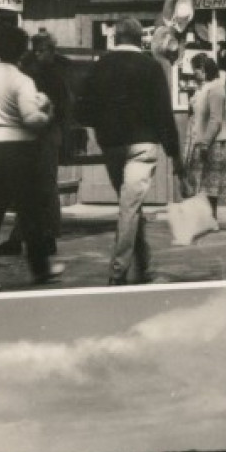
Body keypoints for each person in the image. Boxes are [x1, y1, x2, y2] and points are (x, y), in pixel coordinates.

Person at [78, 17, 184, 286]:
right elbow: (164, 114)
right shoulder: (151, 67)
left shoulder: (99, 66)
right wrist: (175, 154)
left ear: (116, 37)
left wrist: (102, 125)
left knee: (129, 205)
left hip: (111, 144)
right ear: (141, 39)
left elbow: (83, 110)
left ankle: (143, 264)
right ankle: (118, 273)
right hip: (143, 145)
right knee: (130, 207)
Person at [0, 24, 59, 292]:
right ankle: (41, 269)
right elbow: (32, 120)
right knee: (30, 212)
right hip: (17, 151)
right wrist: (48, 110)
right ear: (21, 52)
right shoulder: (22, 80)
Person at [20, 30, 71, 258]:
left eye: (43, 50)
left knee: (47, 185)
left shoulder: (54, 73)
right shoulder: (33, 71)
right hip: (35, 131)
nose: (39, 54)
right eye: (36, 50)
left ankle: (49, 236)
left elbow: (63, 108)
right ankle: (25, 235)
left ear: (51, 51)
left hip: (48, 132)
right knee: (32, 185)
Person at [184, 54, 226, 227]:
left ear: (203, 69)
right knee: (199, 181)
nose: (193, 73)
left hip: (213, 142)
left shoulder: (216, 88)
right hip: (200, 140)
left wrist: (205, 142)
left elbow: (216, 119)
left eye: (195, 69)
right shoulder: (202, 89)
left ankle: (211, 219)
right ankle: (203, 219)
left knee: (211, 183)